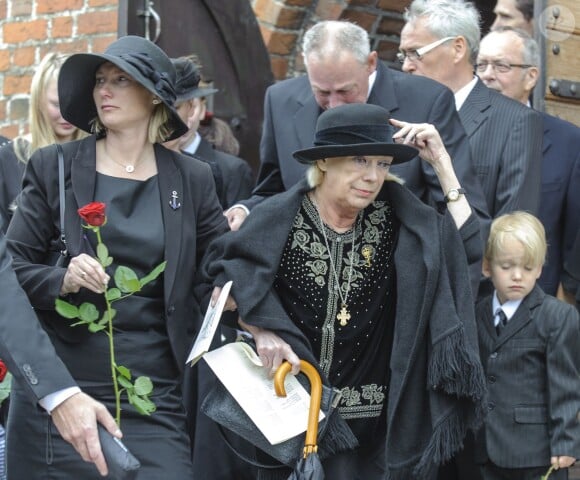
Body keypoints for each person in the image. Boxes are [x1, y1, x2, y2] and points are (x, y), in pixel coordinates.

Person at [201, 103, 486, 479]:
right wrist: (261, 328)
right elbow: (223, 281)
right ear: (323, 162)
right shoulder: (278, 217)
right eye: (360, 160)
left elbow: (465, 248)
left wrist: (442, 165)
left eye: (383, 164)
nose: (372, 176)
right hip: (293, 419)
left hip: (376, 430)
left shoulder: (398, 218)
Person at [5, 35, 228, 478]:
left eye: (120, 80)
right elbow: (9, 272)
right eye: (100, 81)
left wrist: (255, 318)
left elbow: (223, 264)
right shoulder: (56, 166)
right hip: (65, 387)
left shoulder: (194, 177)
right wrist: (61, 279)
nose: (103, 90)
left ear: (153, 95)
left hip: (155, 393)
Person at [225, 20, 490, 240]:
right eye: (321, 92)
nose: (334, 104)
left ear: (371, 63)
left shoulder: (427, 101)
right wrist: (246, 210)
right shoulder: (279, 99)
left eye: (345, 90)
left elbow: (461, 210)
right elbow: (272, 190)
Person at [400, 0, 543, 226]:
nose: (406, 66)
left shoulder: (515, 121)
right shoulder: (401, 114)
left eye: (415, 53)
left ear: (457, 48)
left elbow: (514, 228)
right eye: (403, 55)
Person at [474, 211, 580, 479]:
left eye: (528, 267)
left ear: (540, 269)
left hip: (535, 452)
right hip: (483, 447)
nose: (517, 276)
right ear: (487, 267)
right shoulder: (477, 312)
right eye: (507, 266)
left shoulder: (557, 316)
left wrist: (566, 443)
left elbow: (565, 385)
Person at [477, 27, 580, 298]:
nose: (488, 74)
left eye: (501, 65)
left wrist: (562, 302)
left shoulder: (568, 141)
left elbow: (574, 235)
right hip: (468, 298)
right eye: (482, 65)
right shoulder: (458, 131)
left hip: (535, 304)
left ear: (531, 76)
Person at [0, 53, 86, 233]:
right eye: (57, 104)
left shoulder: (95, 155)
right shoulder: (10, 158)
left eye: (73, 103)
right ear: (39, 102)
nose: (66, 113)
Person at [164, 56, 254, 210]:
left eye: (190, 107)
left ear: (201, 110)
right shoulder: (145, 163)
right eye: (167, 109)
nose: (180, 119)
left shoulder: (232, 171)